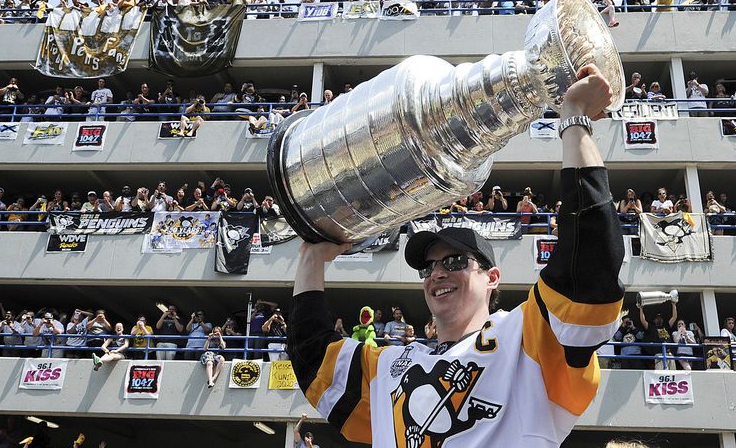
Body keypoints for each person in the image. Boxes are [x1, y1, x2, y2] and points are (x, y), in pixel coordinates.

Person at [288, 64, 624, 446]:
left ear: (491, 277)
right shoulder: (392, 367)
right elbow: (312, 355)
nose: (436, 275)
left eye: (453, 262)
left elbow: (590, 263)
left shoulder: (527, 338)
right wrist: (312, 258)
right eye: (429, 267)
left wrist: (574, 118)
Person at [639, 302, 677, 370]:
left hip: (669, 353)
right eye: (657, 318)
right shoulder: (651, 327)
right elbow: (643, 320)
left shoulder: (667, 326)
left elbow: (674, 317)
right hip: (659, 354)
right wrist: (641, 308)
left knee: (673, 374)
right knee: (661, 374)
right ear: (654, 320)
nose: (659, 319)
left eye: (661, 318)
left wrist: (673, 305)